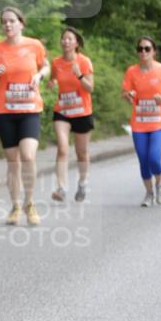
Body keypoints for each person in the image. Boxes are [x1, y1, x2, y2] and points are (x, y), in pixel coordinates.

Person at [0, 7, 49, 226]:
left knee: (28, 156)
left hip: (30, 110)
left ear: (21, 23)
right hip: (5, 111)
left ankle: (30, 203)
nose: (8, 25)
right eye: (4, 22)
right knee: (13, 161)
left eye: (12, 21)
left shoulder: (34, 45)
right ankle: (15, 206)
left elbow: (46, 65)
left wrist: (39, 75)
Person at [122, 37, 161, 207]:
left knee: (153, 157)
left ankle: (160, 184)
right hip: (139, 123)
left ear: (154, 51)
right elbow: (125, 93)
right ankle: (149, 194)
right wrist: (128, 96)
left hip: (159, 122)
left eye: (147, 48)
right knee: (143, 160)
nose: (143, 52)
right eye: (140, 49)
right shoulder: (132, 71)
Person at [48, 27, 95, 203]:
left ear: (76, 43)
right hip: (63, 111)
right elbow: (53, 78)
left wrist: (79, 75)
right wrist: (52, 83)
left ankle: (83, 182)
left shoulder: (84, 61)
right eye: (64, 39)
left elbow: (90, 88)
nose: (66, 41)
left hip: (82, 112)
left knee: (81, 153)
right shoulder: (56, 62)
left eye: (70, 39)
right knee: (62, 148)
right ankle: (61, 188)